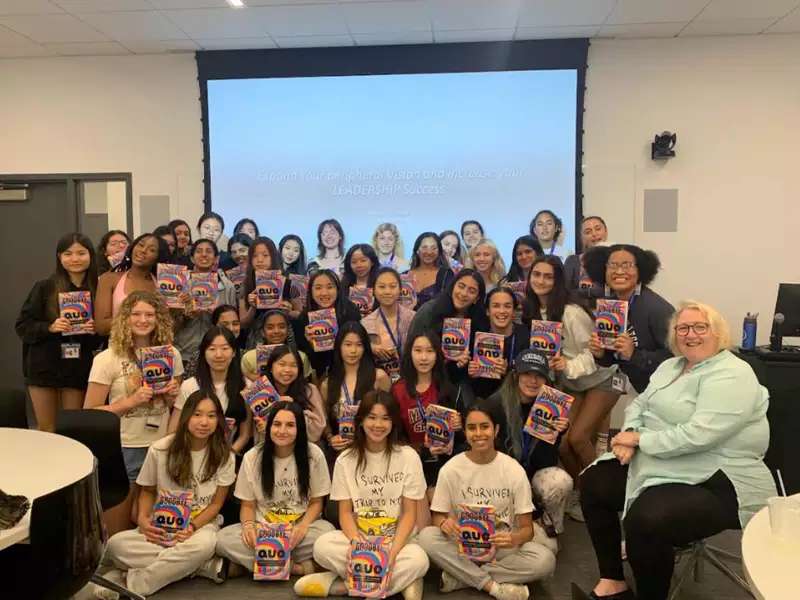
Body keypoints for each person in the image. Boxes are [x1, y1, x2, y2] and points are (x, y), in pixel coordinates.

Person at [576, 301, 777, 600]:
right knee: (594, 482)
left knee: (647, 519)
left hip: (719, 475)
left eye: (700, 327)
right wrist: (629, 433)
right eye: (683, 328)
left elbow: (699, 435)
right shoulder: (671, 365)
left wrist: (639, 441)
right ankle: (612, 579)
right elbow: (640, 404)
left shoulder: (734, 373)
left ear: (718, 333)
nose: (690, 334)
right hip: (662, 461)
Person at [94, 390, 235, 598]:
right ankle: (202, 567)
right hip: (162, 527)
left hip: (199, 527)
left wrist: (192, 527)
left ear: (219, 421)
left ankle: (131, 583)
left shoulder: (225, 456)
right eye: (197, 414)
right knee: (116, 545)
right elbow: (148, 491)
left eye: (211, 416)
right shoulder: (160, 449)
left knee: (205, 545)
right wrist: (143, 519)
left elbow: (216, 505)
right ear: (186, 416)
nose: (204, 422)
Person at [294, 390, 429, 600]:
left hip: (396, 541)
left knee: (419, 559)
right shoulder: (345, 459)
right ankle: (399, 583)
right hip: (360, 538)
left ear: (393, 422)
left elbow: (409, 514)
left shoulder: (408, 457)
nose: (378, 425)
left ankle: (342, 586)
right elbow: (346, 514)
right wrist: (359, 545)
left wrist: (391, 553)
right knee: (322, 546)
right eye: (372, 417)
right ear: (361, 420)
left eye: (385, 418)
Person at [417, 400, 557, 600]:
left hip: (501, 547)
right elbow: (438, 517)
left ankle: (461, 577)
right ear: (464, 432)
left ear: (496, 430)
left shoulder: (513, 470)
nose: (478, 434)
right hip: (461, 544)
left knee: (545, 561)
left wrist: (513, 538)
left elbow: (527, 530)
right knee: (427, 537)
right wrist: (445, 523)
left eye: (485, 427)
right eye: (472, 428)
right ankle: (492, 586)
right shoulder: (450, 469)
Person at [524, 255, 619, 520]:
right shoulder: (532, 311)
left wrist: (565, 364)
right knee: (563, 442)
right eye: (536, 275)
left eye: (548, 276)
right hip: (572, 382)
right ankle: (581, 492)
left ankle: (607, 495)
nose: (541, 281)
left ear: (558, 282)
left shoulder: (571, 312)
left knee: (578, 437)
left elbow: (596, 354)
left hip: (602, 377)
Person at [84, 291, 183, 534]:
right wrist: (131, 401)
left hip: (159, 445)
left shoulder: (171, 354)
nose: (143, 320)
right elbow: (90, 413)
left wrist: (171, 394)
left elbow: (176, 408)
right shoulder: (108, 359)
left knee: (150, 524)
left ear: (159, 319)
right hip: (124, 446)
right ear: (125, 318)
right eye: (136, 314)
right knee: (118, 527)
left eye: (150, 314)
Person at [216, 401, 335, 578]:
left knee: (328, 534)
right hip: (263, 528)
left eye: (290, 425)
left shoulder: (314, 454)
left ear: (299, 429)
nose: (282, 431)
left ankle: (250, 565)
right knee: (222, 539)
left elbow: (317, 502)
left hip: (298, 529)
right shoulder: (252, 457)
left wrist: (302, 527)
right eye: (277, 424)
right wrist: (249, 527)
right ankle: (297, 568)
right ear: (268, 426)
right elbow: (248, 505)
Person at [15, 233, 102, 432]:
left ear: (91, 256)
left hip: (77, 366)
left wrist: (94, 330)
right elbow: (23, 325)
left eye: (81, 253)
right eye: (68, 254)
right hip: (44, 365)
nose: (75, 259)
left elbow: (106, 335)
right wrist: (50, 327)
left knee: (73, 427)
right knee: (47, 428)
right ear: (59, 257)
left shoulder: (99, 289)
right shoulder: (45, 287)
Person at [487, 349, 574, 536]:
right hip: (501, 478)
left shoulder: (551, 407)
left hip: (533, 475)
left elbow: (546, 463)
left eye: (539, 376)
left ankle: (551, 525)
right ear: (516, 375)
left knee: (559, 481)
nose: (533, 381)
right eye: (527, 374)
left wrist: (556, 434)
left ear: (546, 379)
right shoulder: (495, 405)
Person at [391, 330, 462, 529]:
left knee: (446, 514)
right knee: (423, 526)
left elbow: (465, 437)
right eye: (418, 350)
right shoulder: (398, 390)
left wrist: (459, 426)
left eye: (430, 351)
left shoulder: (448, 389)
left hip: (444, 464)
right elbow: (394, 438)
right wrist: (421, 449)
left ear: (438, 354)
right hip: (413, 465)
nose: (423, 357)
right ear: (409, 353)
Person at [583, 244, 674, 394]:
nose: (619, 271)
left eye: (627, 265)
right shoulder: (610, 304)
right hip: (639, 390)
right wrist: (600, 354)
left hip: (665, 392)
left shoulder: (657, 309)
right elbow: (615, 357)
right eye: (613, 265)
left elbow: (677, 358)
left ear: (640, 270)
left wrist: (635, 355)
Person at [169, 326, 251, 456]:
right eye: (212, 349)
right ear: (203, 352)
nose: (218, 355)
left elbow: (244, 435)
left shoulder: (246, 386)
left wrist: (228, 457)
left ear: (234, 352)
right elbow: (173, 430)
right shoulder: (189, 386)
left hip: (227, 457)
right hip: (191, 454)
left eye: (225, 348)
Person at [406, 268, 489, 396]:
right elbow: (410, 349)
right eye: (461, 286)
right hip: (427, 376)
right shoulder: (429, 310)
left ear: (477, 298)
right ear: (452, 287)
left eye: (471, 291)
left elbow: (477, 365)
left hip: (460, 381)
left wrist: (467, 364)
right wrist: (439, 358)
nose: (464, 293)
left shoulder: (480, 322)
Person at [321, 322, 391, 461]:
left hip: (374, 451)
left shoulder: (379, 377)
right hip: (342, 454)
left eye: (359, 345)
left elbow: (390, 415)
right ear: (339, 347)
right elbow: (325, 420)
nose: (353, 350)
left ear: (365, 348)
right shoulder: (327, 384)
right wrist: (330, 438)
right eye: (347, 344)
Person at [172, 238, 237, 377]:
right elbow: (169, 325)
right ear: (192, 258)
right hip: (184, 352)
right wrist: (186, 312)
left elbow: (233, 323)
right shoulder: (179, 284)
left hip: (218, 354)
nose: (204, 255)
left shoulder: (227, 286)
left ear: (216, 258)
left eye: (209, 251)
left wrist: (217, 315)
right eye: (199, 251)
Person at [292, 269, 361, 380]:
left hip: (351, 368)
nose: (324, 293)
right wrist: (311, 345)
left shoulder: (350, 311)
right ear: (311, 291)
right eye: (318, 288)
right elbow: (307, 361)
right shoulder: (304, 319)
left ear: (338, 289)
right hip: (321, 373)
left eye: (330, 287)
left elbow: (359, 347)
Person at [94, 233, 165, 335]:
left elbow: (169, 325)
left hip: (154, 348)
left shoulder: (162, 285)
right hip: (118, 347)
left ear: (158, 257)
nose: (143, 251)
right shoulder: (109, 279)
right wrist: (140, 321)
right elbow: (101, 326)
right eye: (140, 245)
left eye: (151, 250)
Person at [468, 287, 530, 400]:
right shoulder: (477, 337)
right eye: (496, 306)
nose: (502, 311)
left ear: (514, 311)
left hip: (517, 401)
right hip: (484, 401)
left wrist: (509, 371)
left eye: (507, 306)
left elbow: (532, 378)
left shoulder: (526, 335)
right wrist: (471, 373)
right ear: (487, 311)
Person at [361, 267, 415, 381]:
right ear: (374, 291)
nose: (387, 291)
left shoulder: (413, 318)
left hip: (410, 377)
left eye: (392, 286)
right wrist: (370, 347)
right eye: (381, 287)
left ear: (400, 289)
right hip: (379, 380)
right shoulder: (365, 323)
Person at [264, 345, 327, 443]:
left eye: (294, 365)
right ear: (271, 367)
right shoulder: (260, 392)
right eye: (282, 364)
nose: (287, 370)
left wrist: (293, 410)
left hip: (304, 448)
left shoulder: (309, 390)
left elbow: (318, 430)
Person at [241, 309, 312, 381]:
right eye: (270, 328)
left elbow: (305, 385)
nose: (276, 331)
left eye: (281, 327)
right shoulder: (249, 357)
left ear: (288, 330)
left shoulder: (301, 357)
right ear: (262, 332)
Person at [238, 236, 289, 329]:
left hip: (284, 337)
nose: (260, 260)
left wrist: (289, 311)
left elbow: (300, 315)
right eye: (255, 256)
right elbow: (243, 323)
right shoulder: (246, 284)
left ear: (273, 257)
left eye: (265, 255)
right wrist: (253, 307)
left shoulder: (287, 281)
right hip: (255, 338)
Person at [564, 216, 609, 300]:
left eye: (598, 229)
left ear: (606, 232)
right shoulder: (573, 261)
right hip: (579, 310)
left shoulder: (617, 259)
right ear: (582, 238)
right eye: (588, 232)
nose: (594, 234)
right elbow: (565, 292)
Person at [406, 232, 454, 309]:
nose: (429, 252)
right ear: (417, 250)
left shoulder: (446, 274)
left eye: (434, 248)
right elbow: (401, 306)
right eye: (424, 247)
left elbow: (450, 304)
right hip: (408, 320)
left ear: (439, 252)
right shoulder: (405, 275)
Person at [340, 243, 380, 314]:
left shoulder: (380, 284)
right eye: (354, 262)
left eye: (363, 260)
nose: (359, 265)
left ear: (372, 262)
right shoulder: (343, 285)